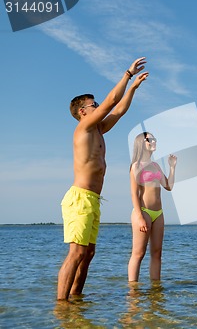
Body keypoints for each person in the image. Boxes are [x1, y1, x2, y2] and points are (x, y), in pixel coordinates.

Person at [57, 57, 148, 301]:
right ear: (83, 112)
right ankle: (61, 306)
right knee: (76, 253)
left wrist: (133, 89)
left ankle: (76, 300)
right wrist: (127, 74)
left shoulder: (98, 130)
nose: (97, 106)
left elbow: (118, 109)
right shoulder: (84, 128)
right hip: (80, 198)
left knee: (88, 253)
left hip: (94, 199)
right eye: (93, 104)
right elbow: (111, 101)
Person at [128, 132, 176, 282]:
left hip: (158, 213)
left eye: (155, 138)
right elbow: (134, 194)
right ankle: (133, 291)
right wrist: (140, 217)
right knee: (138, 253)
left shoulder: (155, 166)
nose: (154, 141)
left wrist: (172, 167)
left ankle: (156, 288)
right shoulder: (136, 166)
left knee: (157, 253)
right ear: (142, 143)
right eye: (151, 139)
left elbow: (168, 186)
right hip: (143, 212)